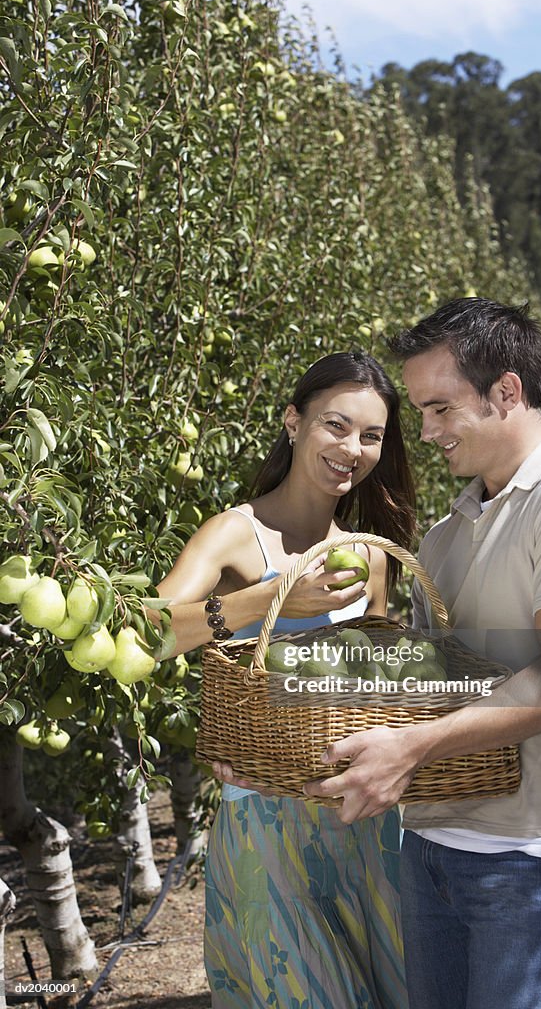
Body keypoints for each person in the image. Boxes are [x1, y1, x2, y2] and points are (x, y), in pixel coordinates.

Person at [303, 299, 541, 1009]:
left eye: (439, 409)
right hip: (431, 842)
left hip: (528, 853)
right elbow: (425, 684)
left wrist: (409, 750)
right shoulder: (445, 535)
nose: (425, 433)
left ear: (507, 392)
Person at [156, 351, 415, 1009]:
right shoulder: (233, 537)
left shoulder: (366, 558)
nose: (351, 448)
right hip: (267, 822)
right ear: (292, 422)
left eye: (371, 436)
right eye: (335, 424)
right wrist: (266, 601)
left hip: (362, 821)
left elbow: (378, 689)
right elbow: (146, 633)